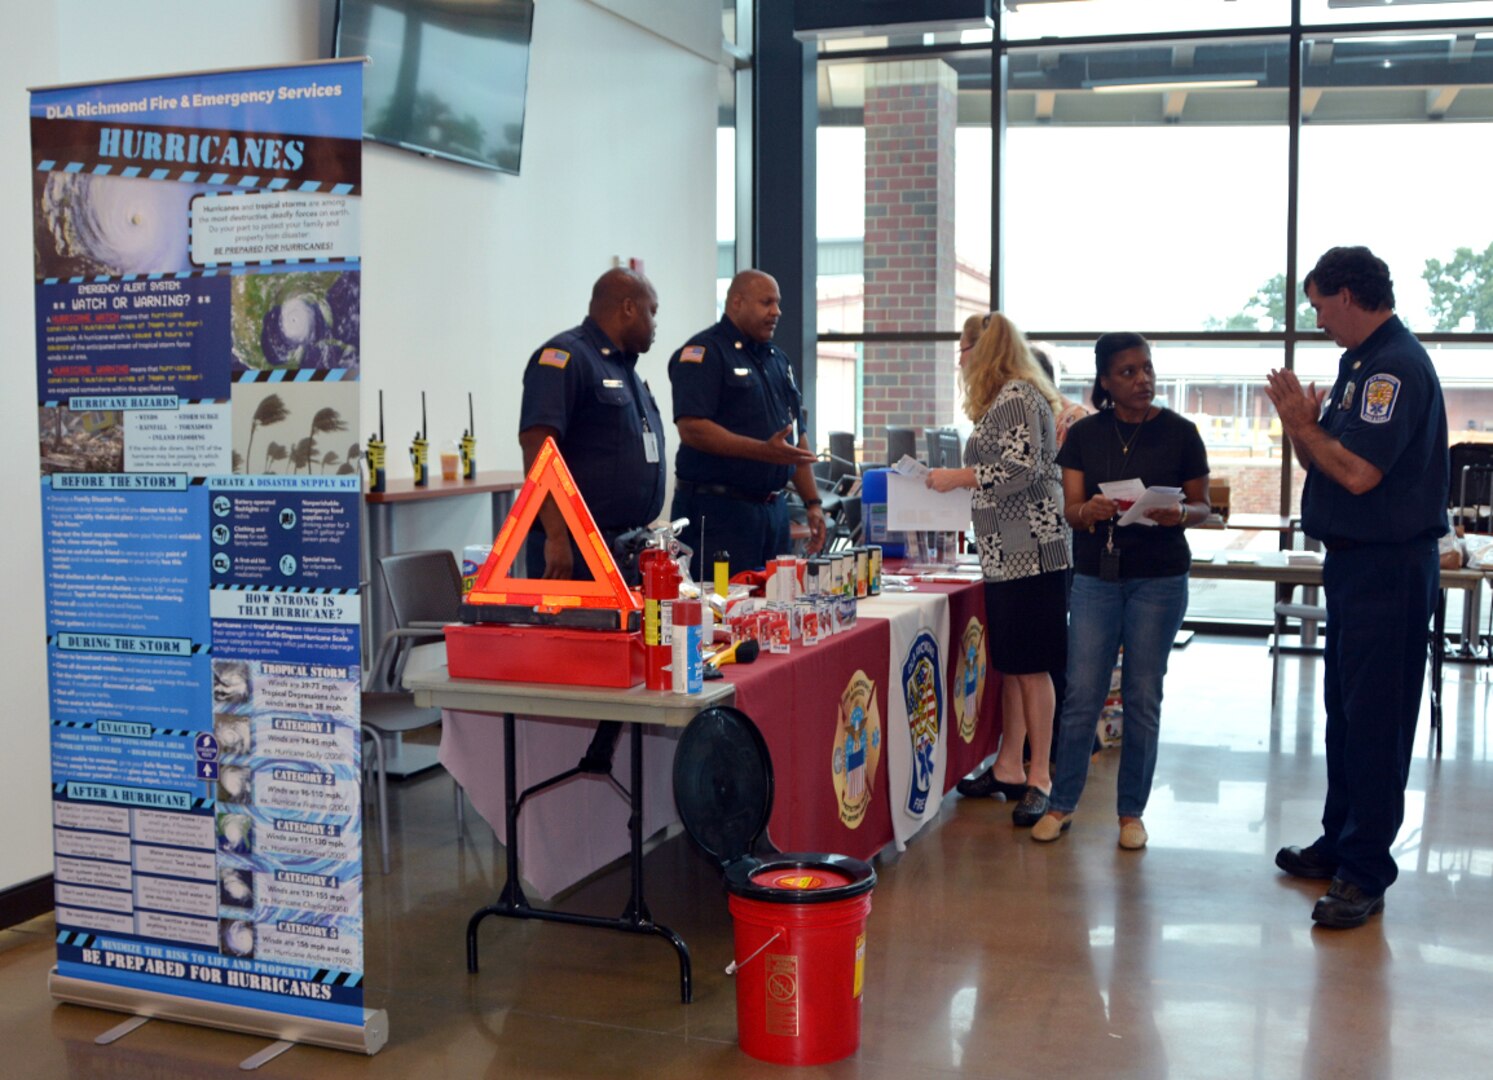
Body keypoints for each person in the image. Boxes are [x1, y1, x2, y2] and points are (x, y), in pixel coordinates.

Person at [1264, 246, 1448, 929]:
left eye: (1319, 306)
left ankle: (1364, 871)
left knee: (1375, 723)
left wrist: (1304, 426)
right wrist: (1300, 428)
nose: (1317, 321)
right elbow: (1324, 460)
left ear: (1347, 295)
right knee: (1344, 716)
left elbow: (1359, 474)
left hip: (1387, 569)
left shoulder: (1392, 368)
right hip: (1351, 566)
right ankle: (1339, 841)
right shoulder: (1359, 365)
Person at [1032, 333, 1210, 850]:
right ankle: (1062, 804)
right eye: (1128, 372)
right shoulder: (1085, 434)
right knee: (1082, 694)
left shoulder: (1181, 433)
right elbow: (1071, 509)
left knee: (1142, 695)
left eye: (1147, 368)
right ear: (1106, 381)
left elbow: (1204, 507)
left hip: (1160, 580)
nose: (1142, 379)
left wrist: (1181, 513)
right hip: (1096, 577)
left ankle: (1131, 813)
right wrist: (1087, 510)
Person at [930, 312, 1071, 827]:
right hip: (1006, 553)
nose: (960, 360)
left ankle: (1040, 777)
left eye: (963, 350)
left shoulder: (1016, 395)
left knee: (1032, 669)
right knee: (1012, 667)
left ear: (982, 350)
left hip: (1031, 551)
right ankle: (1009, 766)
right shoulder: (1009, 397)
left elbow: (1021, 469)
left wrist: (957, 477)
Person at [668, 269, 826, 579]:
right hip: (718, 512)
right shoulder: (704, 353)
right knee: (719, 603)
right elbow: (692, 428)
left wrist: (813, 502)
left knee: (775, 600)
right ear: (737, 303)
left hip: (773, 512)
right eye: (767, 303)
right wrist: (762, 451)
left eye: (777, 303)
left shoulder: (778, 360)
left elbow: (795, 441)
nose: (776, 312)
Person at [517, 267, 666, 586]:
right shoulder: (565, 357)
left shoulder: (623, 368)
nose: (655, 324)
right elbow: (539, 449)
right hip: (576, 547)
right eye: (652, 312)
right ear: (629, 307)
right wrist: (557, 536)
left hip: (624, 549)